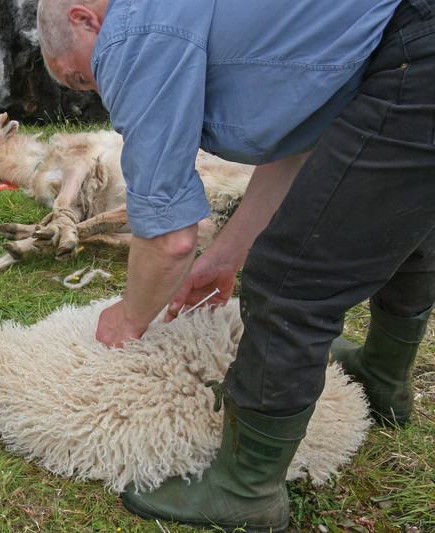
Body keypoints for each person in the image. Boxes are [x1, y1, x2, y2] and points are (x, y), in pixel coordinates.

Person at [36, 0, 435, 531]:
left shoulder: (133, 31)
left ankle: (245, 490)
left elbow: (171, 238)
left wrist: (129, 319)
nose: (99, 93)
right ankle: (383, 378)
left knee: (288, 280)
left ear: (87, 20)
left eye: (82, 78)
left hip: (416, 56)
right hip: (411, 48)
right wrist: (225, 256)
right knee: (402, 213)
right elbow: (297, 150)